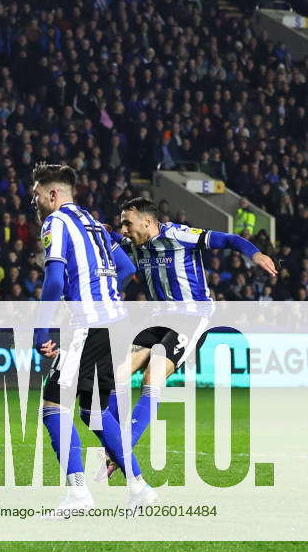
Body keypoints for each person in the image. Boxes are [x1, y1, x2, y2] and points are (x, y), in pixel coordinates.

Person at [97, 197, 278, 479]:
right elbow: (110, 239)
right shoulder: (133, 243)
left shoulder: (177, 235)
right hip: (158, 318)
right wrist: (107, 231)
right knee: (114, 373)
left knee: (152, 375)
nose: (124, 229)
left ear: (148, 222)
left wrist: (256, 254)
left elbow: (229, 238)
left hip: (192, 317)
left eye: (127, 223)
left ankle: (120, 449)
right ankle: (116, 448)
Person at [30, 163, 149, 511]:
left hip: (90, 325)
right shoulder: (93, 222)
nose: (33, 203)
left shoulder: (55, 222)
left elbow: (53, 280)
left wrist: (42, 330)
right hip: (116, 324)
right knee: (93, 410)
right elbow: (126, 269)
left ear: (53, 194)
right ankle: (140, 489)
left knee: (54, 404)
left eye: (36, 196)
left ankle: (78, 493)